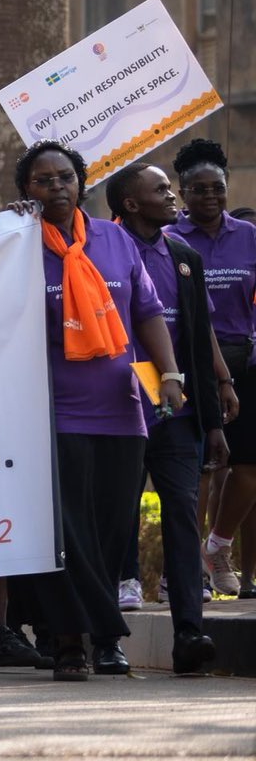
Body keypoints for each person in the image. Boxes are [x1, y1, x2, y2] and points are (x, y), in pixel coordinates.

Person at [15, 141, 186, 680]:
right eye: (43, 180)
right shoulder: (16, 246)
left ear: (80, 181)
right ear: (28, 191)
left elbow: (148, 313)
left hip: (122, 408)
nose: (57, 186)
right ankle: (71, 642)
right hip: (53, 411)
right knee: (67, 534)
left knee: (114, 530)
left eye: (65, 176)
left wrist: (171, 376)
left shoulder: (114, 239)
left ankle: (106, 638)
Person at [108, 163, 233, 674]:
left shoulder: (183, 255)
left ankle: (190, 632)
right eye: (160, 189)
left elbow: (199, 333)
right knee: (114, 515)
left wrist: (218, 398)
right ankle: (104, 633)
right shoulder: (103, 251)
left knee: (182, 510)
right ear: (131, 204)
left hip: (176, 409)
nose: (173, 195)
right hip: (116, 406)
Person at [171, 138, 256, 601]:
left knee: (248, 466)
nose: (209, 197)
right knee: (203, 469)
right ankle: (185, 573)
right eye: (198, 190)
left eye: (217, 189)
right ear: (182, 193)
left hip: (247, 359)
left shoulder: (247, 235)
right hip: (194, 364)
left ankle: (217, 546)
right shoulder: (172, 237)